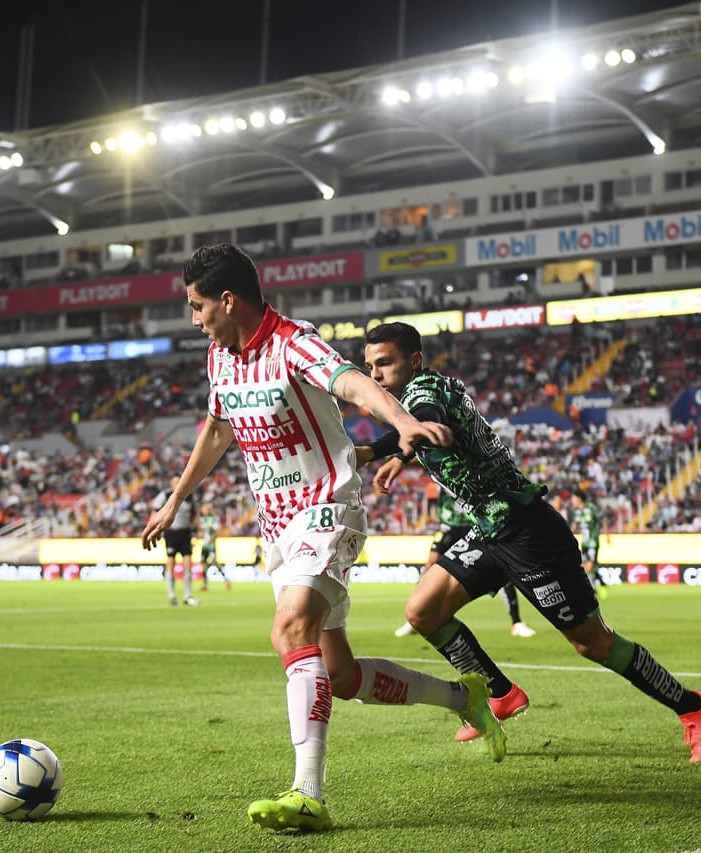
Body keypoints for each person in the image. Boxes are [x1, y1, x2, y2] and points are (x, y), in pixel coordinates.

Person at [141, 244, 505, 834]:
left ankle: (307, 792)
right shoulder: (219, 358)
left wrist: (403, 421)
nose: (195, 318)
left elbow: (353, 383)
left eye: (197, 305)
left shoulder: (293, 342)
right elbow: (216, 429)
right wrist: (176, 498)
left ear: (227, 300)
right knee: (341, 676)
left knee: (290, 630)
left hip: (327, 510)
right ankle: (465, 699)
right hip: (278, 528)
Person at [360, 322, 701, 764]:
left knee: (593, 643)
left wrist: (392, 454)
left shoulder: (423, 393)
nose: (375, 375)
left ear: (414, 361)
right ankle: (500, 694)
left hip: (529, 533)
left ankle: (692, 707)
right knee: (423, 612)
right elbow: (418, 426)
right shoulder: (422, 398)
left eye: (384, 363)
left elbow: (424, 419)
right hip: (490, 528)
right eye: (369, 367)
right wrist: (379, 453)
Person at [394, 491, 536, 640]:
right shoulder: (440, 480)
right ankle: (415, 618)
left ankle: (516, 622)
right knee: (431, 563)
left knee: (503, 566)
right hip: (449, 525)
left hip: (473, 523)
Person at [153, 476, 198, 606]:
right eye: (174, 482)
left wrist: (195, 528)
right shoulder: (165, 495)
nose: (177, 484)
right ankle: (172, 595)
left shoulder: (189, 496)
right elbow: (156, 509)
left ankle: (187, 595)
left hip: (185, 533)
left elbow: (194, 514)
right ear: (171, 484)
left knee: (188, 563)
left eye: (179, 481)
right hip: (171, 533)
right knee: (170, 562)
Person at [569, 489, 607, 592]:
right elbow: (574, 525)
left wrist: (607, 534)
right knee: (585, 565)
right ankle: (596, 585)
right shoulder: (577, 512)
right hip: (584, 543)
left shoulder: (591, 508)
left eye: (573, 498)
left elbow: (602, 519)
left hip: (592, 542)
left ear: (579, 499)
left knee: (589, 565)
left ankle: (591, 589)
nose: (572, 501)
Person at [197, 501, 231, 590]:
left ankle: (226, 580)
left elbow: (217, 532)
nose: (204, 510)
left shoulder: (214, 519)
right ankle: (205, 584)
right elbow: (200, 532)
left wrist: (210, 540)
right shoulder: (201, 520)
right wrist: (199, 536)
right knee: (204, 564)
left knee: (215, 563)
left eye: (205, 508)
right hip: (204, 546)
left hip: (211, 546)